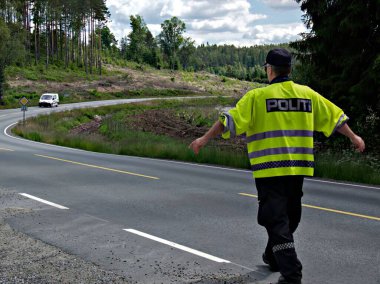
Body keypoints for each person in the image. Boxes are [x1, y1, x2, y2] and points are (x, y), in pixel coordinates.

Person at [189, 48, 365, 284]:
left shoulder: (257, 97)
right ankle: (274, 257)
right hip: (297, 169)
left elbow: (227, 121)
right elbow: (335, 117)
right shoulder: (307, 95)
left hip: (269, 169)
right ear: (289, 70)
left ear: (269, 70)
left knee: (278, 220)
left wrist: (203, 139)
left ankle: (291, 274)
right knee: (288, 218)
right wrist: (354, 137)